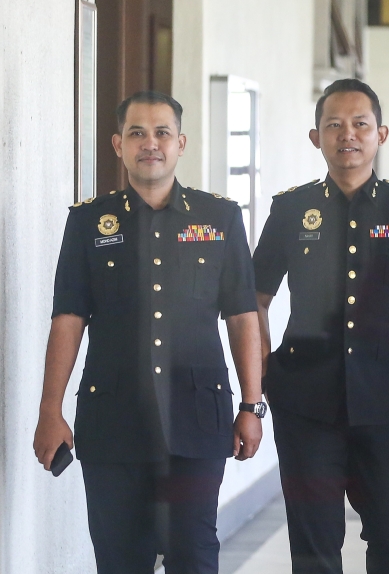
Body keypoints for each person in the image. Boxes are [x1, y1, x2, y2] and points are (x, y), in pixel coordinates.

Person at [33, 90, 264, 573]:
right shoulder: (89, 222)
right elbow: (68, 319)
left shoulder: (218, 218)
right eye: (137, 133)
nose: (150, 143)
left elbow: (243, 316)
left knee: (193, 555)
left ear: (181, 143)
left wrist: (250, 405)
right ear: (118, 145)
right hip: (112, 419)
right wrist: (50, 410)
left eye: (162, 133)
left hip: (199, 418)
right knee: (120, 559)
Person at [253, 78, 389, 574]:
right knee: (314, 540)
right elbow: (252, 300)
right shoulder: (291, 208)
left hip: (386, 400)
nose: (348, 135)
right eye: (334, 125)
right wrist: (262, 377)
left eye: (360, 124)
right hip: (304, 402)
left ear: (381, 134)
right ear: (315, 137)